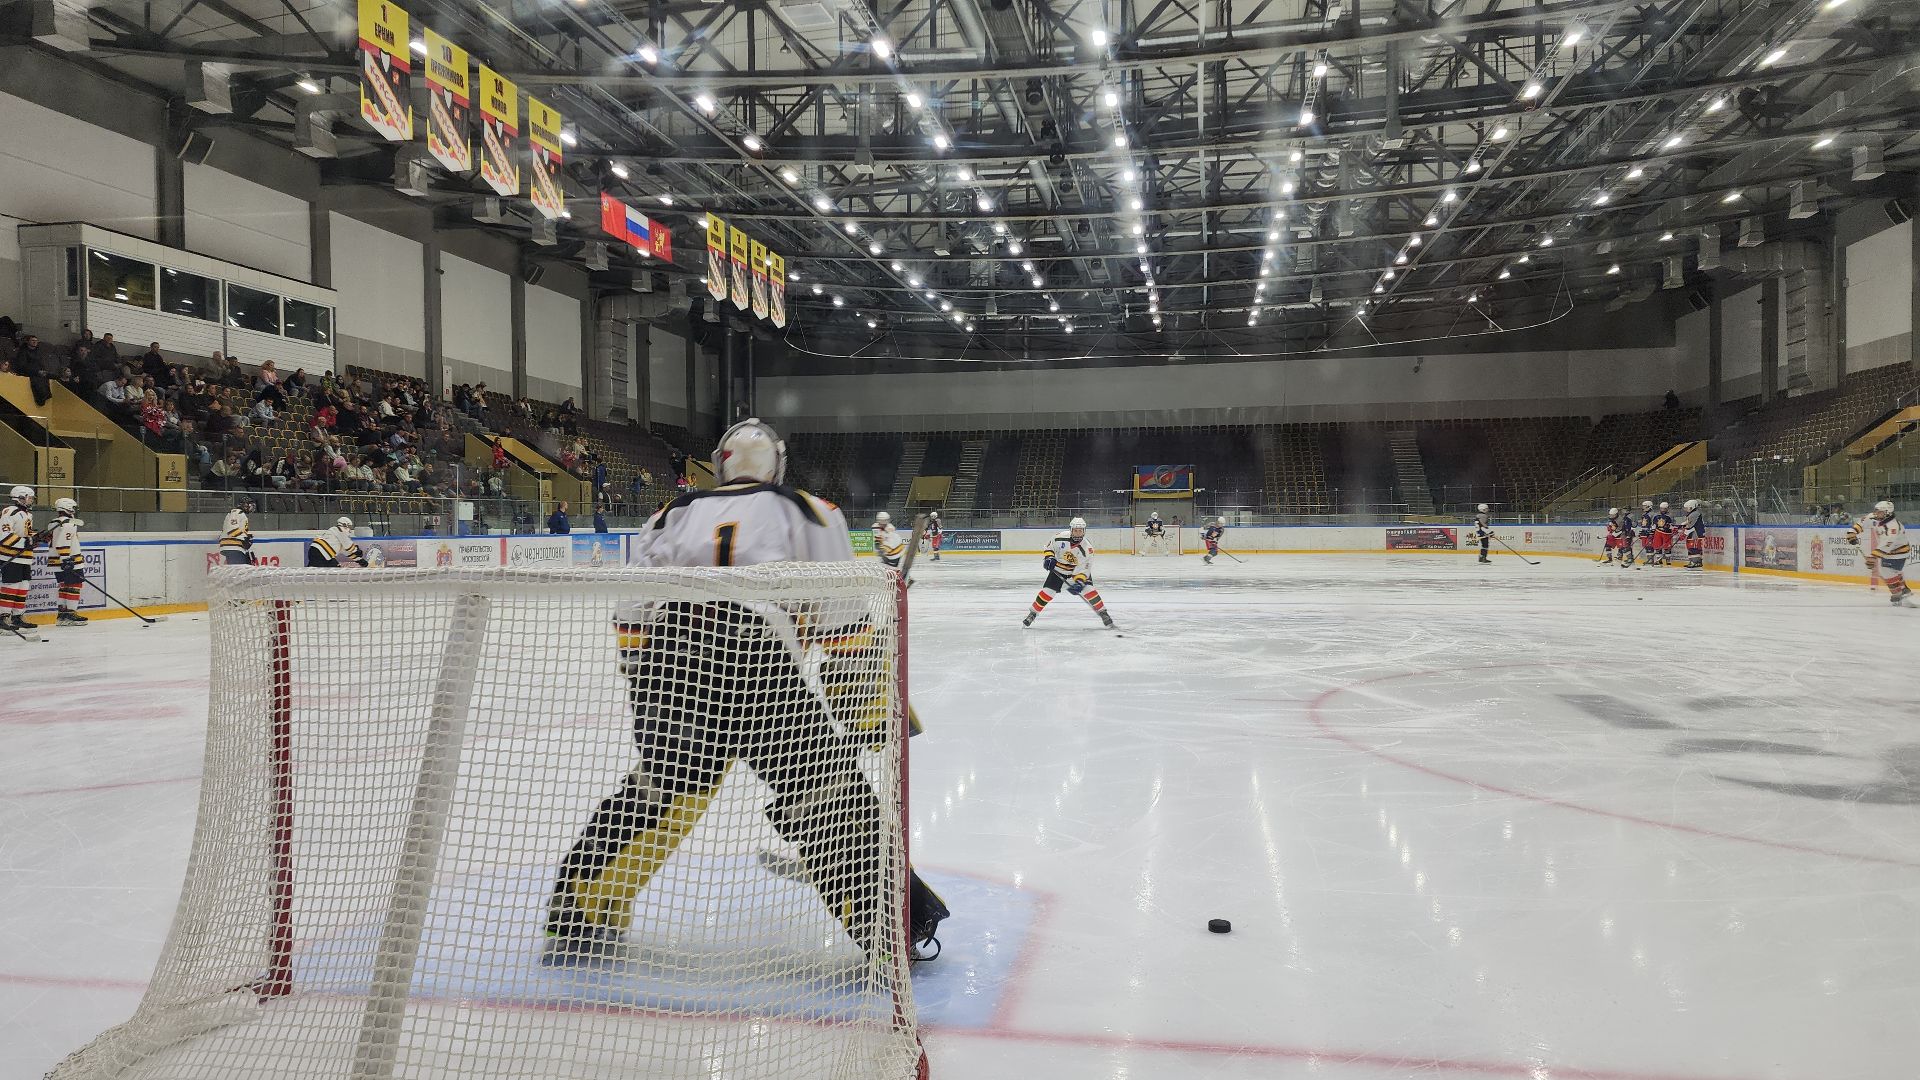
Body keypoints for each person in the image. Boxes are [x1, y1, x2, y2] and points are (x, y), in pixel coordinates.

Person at [544, 417, 948, 964]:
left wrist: (647, 685)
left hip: (673, 662)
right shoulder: (809, 509)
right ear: (776, 464)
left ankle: (579, 909)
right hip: (761, 666)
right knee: (828, 797)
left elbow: (633, 609)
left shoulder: (671, 512)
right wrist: (870, 703)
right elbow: (841, 619)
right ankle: (895, 926)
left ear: (721, 463)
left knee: (659, 797)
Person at [1024, 516, 1116, 630]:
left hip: (1075, 572)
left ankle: (1103, 613)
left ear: (1084, 531)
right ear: (1071, 530)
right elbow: (1049, 547)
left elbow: (1084, 569)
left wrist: (1079, 582)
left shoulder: (1087, 548)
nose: (1078, 533)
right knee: (1047, 592)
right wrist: (1049, 558)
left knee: (1089, 591)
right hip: (1059, 570)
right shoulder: (1059, 537)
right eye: (1076, 530)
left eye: (1080, 530)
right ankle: (1032, 613)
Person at [1846, 501, 1911, 605]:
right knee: (1889, 571)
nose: (1876, 513)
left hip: (1899, 551)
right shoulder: (1874, 518)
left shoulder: (1893, 526)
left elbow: (1887, 544)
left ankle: (1898, 593)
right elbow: (1862, 523)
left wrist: (1873, 557)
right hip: (1887, 551)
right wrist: (1852, 532)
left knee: (1887, 571)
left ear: (1887, 513)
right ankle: (1903, 589)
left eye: (1879, 512)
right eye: (1876, 511)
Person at [43, 498, 86, 625]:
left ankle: (62, 615)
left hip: (55, 562)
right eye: (73, 507)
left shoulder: (53, 522)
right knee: (74, 585)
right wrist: (66, 559)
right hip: (68, 560)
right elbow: (63, 543)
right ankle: (70, 614)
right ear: (68, 508)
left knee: (64, 586)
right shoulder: (69, 523)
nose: (74, 510)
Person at [0, 486, 34, 630]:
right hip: (10, 557)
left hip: (25, 558)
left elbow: (26, 535)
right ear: (21, 497)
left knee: (23, 587)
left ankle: (17, 616)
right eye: (29, 497)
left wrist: (36, 538)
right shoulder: (9, 512)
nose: (31, 500)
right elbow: (4, 536)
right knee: (11, 586)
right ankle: (4, 617)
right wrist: (25, 542)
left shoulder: (28, 514)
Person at [1680, 499, 1705, 570]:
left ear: (1692, 507)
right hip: (1693, 533)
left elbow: (1691, 525)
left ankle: (1696, 562)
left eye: (1687, 508)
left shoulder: (1695, 514)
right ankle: (1692, 561)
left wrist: (1685, 532)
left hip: (1696, 534)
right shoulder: (1692, 514)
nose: (1686, 510)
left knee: (1694, 547)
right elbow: (1688, 523)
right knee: (1690, 547)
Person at [1632, 500, 1656, 569]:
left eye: (1645, 506)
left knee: (1649, 546)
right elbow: (1643, 524)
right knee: (1645, 546)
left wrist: (1652, 531)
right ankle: (1649, 559)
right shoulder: (1644, 515)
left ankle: (1651, 560)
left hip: (1649, 532)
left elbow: (1654, 524)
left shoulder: (1653, 514)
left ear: (1649, 506)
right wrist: (1641, 530)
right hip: (1644, 532)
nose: (1643, 508)